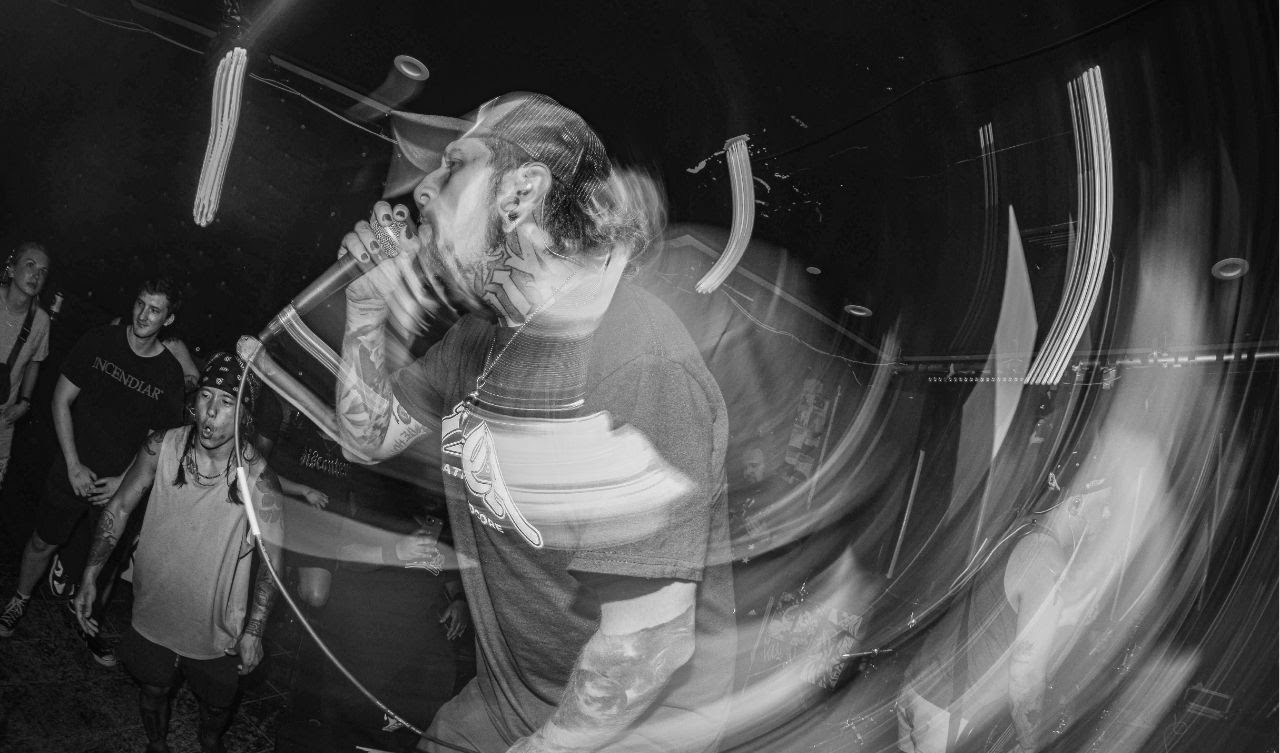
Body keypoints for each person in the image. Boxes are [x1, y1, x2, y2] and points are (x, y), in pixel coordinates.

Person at [278, 92, 736, 753]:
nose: (425, 188)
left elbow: (649, 643)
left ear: (521, 193)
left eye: (455, 165)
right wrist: (369, 308)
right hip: (510, 700)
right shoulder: (476, 339)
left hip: (633, 725)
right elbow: (366, 438)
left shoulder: (638, 360)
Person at [71, 352, 284, 753]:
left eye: (226, 401)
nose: (211, 412)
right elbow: (119, 508)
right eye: (205, 395)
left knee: (216, 707)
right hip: (155, 609)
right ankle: (156, 744)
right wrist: (89, 576)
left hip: (218, 627)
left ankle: (209, 742)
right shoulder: (161, 446)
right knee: (152, 689)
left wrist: (255, 630)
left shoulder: (259, 478)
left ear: (243, 415)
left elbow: (273, 561)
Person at [0, 277, 186, 668]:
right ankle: (19, 600)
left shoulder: (168, 373)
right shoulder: (100, 340)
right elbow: (60, 400)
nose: (143, 315)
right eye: (140, 304)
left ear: (168, 319)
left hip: (119, 486)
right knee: (43, 541)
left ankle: (89, 626)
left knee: (104, 564)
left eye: (154, 310)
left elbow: (156, 442)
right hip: (72, 468)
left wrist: (123, 483)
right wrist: (72, 464)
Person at [896, 478, 1115, 753]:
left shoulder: (1015, 527)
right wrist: (1033, 745)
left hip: (918, 687)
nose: (1107, 514)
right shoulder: (1046, 561)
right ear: (1076, 504)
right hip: (950, 716)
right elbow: (1025, 681)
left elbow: (995, 607)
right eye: (1103, 504)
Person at [0, 242, 53, 485]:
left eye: (43, 271)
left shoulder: (41, 321)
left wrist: (25, 402)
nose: (36, 275)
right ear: (11, 269)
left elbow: (35, 361)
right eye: (30, 265)